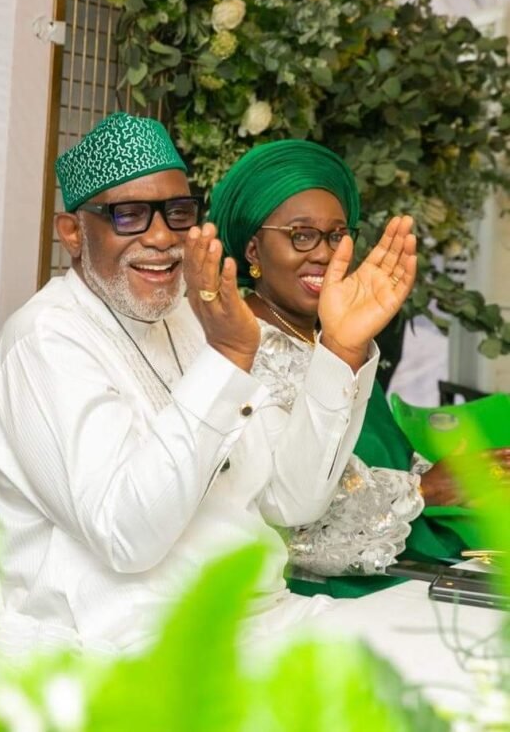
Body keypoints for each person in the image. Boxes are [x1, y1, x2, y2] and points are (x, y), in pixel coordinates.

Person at [0, 113, 415, 651]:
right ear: (72, 232)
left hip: (261, 619)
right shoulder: (45, 341)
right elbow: (126, 537)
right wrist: (227, 358)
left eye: (177, 213)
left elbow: (290, 499)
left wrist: (340, 351)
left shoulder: (188, 317)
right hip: (133, 649)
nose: (162, 237)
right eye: (128, 215)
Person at [209, 138, 510, 599]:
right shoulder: (240, 349)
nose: (324, 254)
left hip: (407, 561)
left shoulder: (330, 335)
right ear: (253, 249)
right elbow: (289, 522)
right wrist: (424, 490)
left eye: (336, 236)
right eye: (301, 235)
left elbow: (376, 459)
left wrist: (456, 476)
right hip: (323, 595)